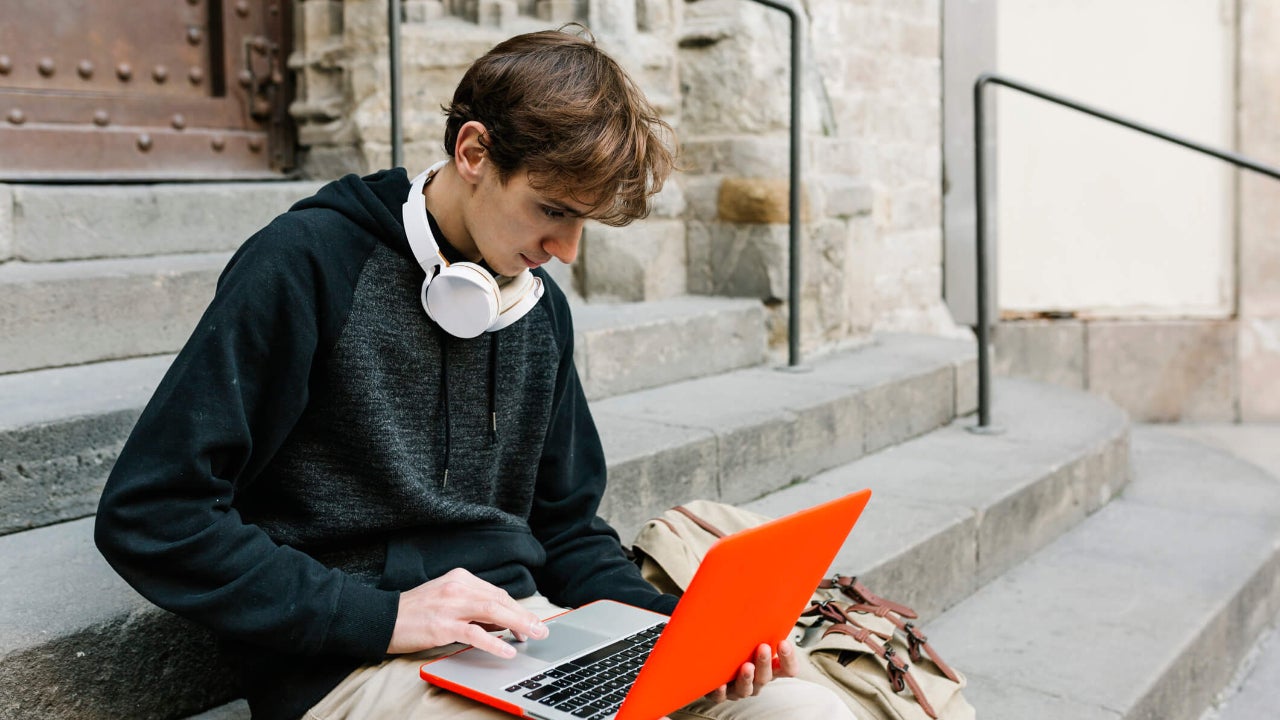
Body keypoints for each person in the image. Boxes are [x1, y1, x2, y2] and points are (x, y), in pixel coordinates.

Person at [94, 26, 854, 720]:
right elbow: (154, 514)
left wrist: (682, 639)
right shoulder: (304, 266)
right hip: (351, 664)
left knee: (802, 712)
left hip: (530, 636)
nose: (567, 251)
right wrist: (382, 616)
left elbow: (566, 528)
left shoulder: (537, 308)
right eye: (552, 210)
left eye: (583, 223)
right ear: (473, 152)